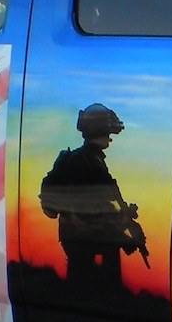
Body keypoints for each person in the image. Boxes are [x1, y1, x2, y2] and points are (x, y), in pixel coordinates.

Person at [40, 104, 147, 297]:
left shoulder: (86, 160)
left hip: (75, 238)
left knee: (79, 289)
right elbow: (95, 215)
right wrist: (124, 238)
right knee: (99, 293)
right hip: (86, 239)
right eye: (108, 133)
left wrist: (125, 220)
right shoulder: (89, 164)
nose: (110, 138)